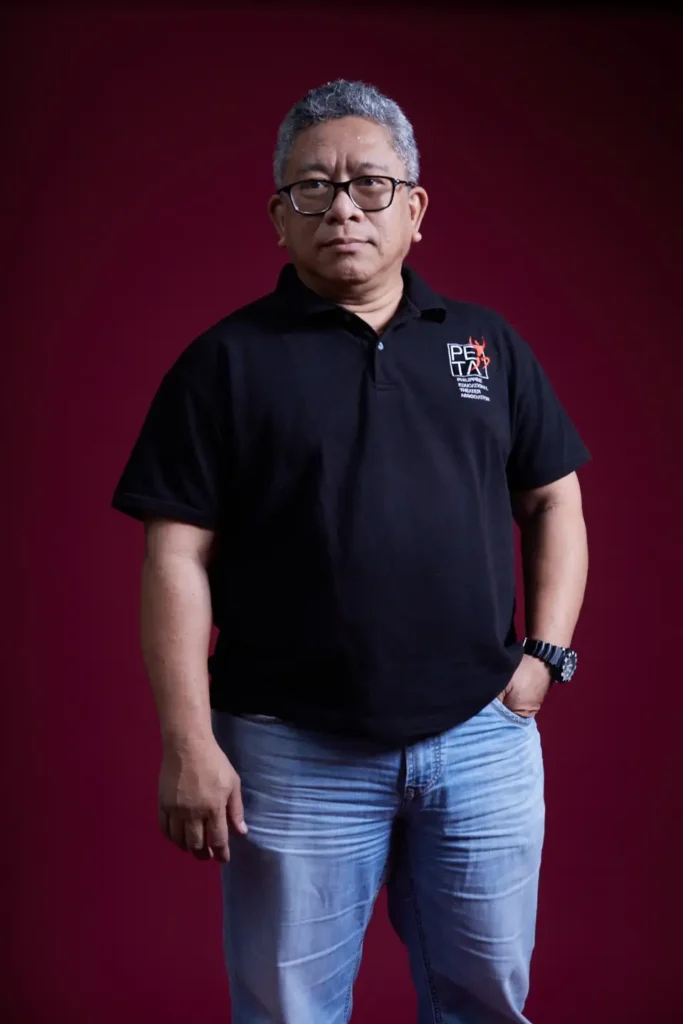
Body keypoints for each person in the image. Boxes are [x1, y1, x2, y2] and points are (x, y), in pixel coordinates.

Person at [111, 79, 590, 1024]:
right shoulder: (224, 364)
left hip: (480, 736)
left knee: (487, 1003)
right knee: (290, 1012)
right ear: (277, 217)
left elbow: (552, 499)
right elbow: (175, 558)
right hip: (290, 749)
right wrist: (188, 742)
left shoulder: (484, 347)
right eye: (312, 187)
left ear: (414, 208)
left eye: (370, 184)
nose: (342, 208)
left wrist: (542, 659)